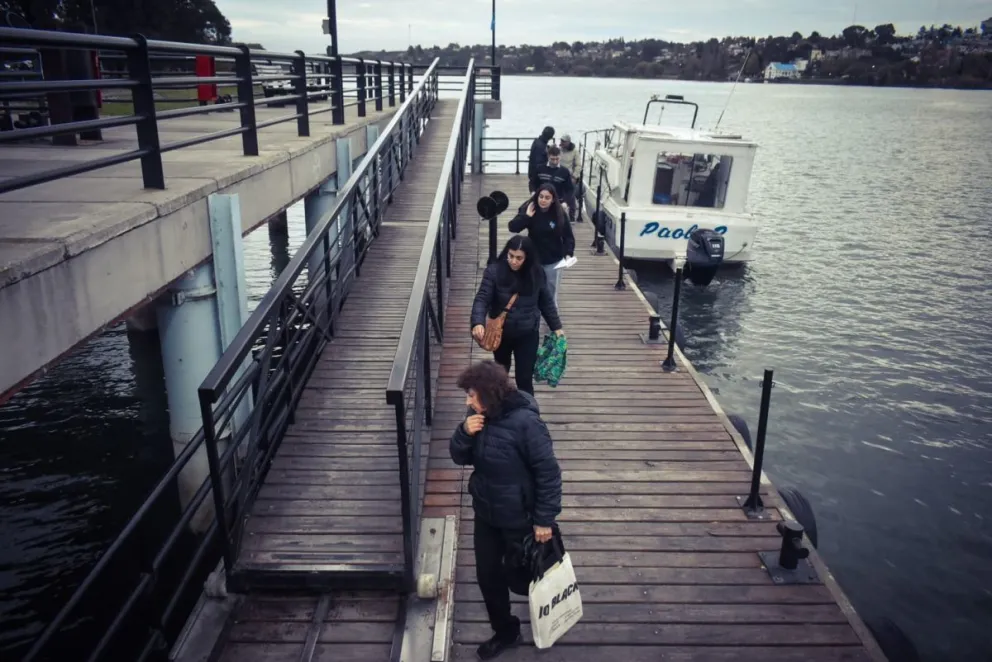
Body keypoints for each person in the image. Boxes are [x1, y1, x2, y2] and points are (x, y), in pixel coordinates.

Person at [450, 360, 563, 660]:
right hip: (487, 513)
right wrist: (464, 433)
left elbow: (548, 473)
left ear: (488, 394)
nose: (468, 402)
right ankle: (505, 631)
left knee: (528, 577)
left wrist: (544, 519)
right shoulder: (476, 417)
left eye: (471, 395)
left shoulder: (527, 424)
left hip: (521, 517)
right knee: (488, 576)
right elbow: (459, 457)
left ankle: (548, 619)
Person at [471, 235, 564, 395]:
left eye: (519, 258)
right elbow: (482, 298)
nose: (513, 261)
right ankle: (500, 407)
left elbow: (546, 302)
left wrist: (557, 327)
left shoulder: (537, 273)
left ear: (527, 258)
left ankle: (528, 409)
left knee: (525, 379)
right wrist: (477, 322)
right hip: (501, 334)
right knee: (500, 377)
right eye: (511, 256)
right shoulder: (494, 271)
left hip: (527, 333)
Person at [508, 183, 575, 305]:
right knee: (532, 291)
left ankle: (552, 316)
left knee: (550, 294)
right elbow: (513, 227)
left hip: (553, 260)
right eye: (541, 197)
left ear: (553, 199)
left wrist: (568, 253)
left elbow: (568, 236)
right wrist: (527, 216)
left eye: (547, 198)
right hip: (534, 259)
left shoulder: (559, 213)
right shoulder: (530, 208)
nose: (543, 200)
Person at [558, 134, 581, 223]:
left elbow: (578, 165)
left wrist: (574, 176)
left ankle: (572, 216)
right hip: (560, 175)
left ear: (568, 142)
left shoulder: (575, 151)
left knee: (571, 197)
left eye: (564, 141)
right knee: (559, 194)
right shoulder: (559, 149)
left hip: (570, 176)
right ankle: (559, 215)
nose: (562, 143)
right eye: (561, 141)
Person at [527, 126, 555, 193]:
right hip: (538, 175)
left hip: (532, 172)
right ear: (550, 137)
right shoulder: (541, 146)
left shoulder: (536, 141)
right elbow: (539, 162)